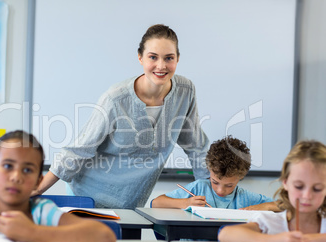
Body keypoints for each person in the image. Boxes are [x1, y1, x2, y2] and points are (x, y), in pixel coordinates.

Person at [33, 24, 210, 209]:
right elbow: (79, 149)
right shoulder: (116, 99)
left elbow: (197, 146)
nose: (161, 65)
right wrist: (38, 190)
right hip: (88, 196)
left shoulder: (185, 91)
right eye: (153, 57)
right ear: (140, 57)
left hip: (132, 201)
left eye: (169, 58)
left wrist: (213, 194)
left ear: (178, 58)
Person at [218, 140, 326, 242]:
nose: (307, 196)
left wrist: (307, 239)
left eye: (317, 189)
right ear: (285, 182)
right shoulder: (270, 222)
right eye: (299, 186)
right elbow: (225, 234)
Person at [152, 136, 279, 211]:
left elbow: (286, 206)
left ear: (241, 177)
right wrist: (186, 203)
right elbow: (155, 203)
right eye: (215, 182)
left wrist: (266, 206)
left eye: (229, 185)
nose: (220, 190)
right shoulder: (199, 188)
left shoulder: (244, 198)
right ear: (209, 170)